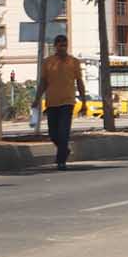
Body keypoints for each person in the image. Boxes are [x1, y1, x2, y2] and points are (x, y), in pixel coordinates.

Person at [39, 34, 87, 169]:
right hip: (52, 102)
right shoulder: (48, 62)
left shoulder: (74, 62)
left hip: (67, 102)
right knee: (53, 133)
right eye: (60, 45)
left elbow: (79, 82)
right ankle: (64, 150)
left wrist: (83, 102)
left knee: (64, 132)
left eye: (65, 45)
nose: (62, 48)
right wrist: (37, 98)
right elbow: (43, 82)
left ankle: (61, 161)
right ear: (55, 46)